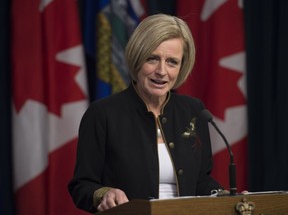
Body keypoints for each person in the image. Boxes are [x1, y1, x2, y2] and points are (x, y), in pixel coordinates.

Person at [68, 13, 223, 213]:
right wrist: (104, 194)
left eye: (172, 62)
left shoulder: (193, 111)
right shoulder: (102, 114)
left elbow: (201, 180)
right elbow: (81, 185)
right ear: (137, 58)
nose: (161, 71)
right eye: (152, 58)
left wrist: (229, 197)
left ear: (181, 66)